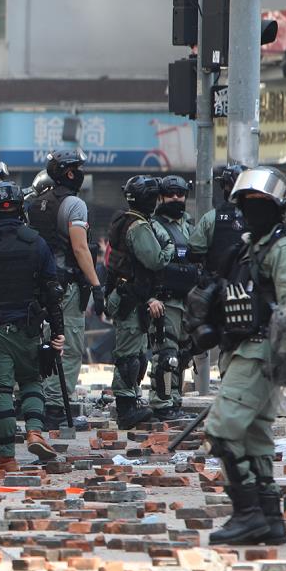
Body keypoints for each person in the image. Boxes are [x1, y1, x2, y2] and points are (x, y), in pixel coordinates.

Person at [203, 167, 286, 546]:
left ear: (278, 207)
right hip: (244, 350)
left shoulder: (285, 248)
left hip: (263, 354)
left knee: (221, 431)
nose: (251, 210)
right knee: (252, 437)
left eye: (260, 203)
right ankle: (268, 518)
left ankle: (246, 513)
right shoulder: (253, 245)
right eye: (246, 203)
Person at [0, 181, 64, 471]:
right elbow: (52, 291)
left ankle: (6, 457)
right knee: (32, 381)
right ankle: (34, 430)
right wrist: (58, 332)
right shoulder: (36, 242)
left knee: (1, 390)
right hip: (30, 327)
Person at [25, 148, 102, 429]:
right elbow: (80, 248)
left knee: (43, 342)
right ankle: (57, 408)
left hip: (39, 285)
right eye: (78, 169)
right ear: (69, 173)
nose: (81, 174)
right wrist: (96, 284)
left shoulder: (35, 204)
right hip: (67, 286)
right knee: (67, 344)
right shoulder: (74, 205)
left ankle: (40, 403)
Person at [103, 176, 173, 429]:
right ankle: (126, 410)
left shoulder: (125, 219)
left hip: (128, 295)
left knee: (136, 354)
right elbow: (154, 259)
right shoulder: (139, 226)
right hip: (130, 297)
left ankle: (131, 402)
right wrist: (169, 248)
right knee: (129, 356)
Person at [149, 175, 198, 420]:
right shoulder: (154, 226)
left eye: (180, 194)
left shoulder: (189, 226)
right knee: (166, 355)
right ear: (161, 197)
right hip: (164, 300)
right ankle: (162, 404)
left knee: (182, 355)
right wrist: (150, 298)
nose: (176, 198)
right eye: (171, 194)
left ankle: (176, 402)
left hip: (187, 300)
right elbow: (147, 264)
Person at [189, 163, 248, 276]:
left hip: (218, 285)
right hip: (251, 287)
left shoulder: (211, 217)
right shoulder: (261, 218)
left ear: (228, 187)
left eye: (224, 185)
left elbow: (194, 251)